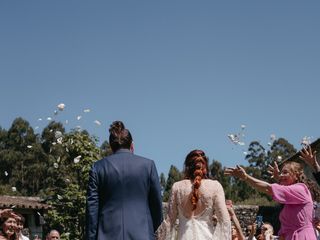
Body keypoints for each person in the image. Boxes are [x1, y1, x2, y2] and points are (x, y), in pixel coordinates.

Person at [86, 121, 163, 240]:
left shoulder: (97, 168)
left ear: (111, 146)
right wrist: (152, 232)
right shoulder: (148, 166)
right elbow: (157, 206)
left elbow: (92, 211)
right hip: (142, 234)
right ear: (132, 145)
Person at [225, 161, 318, 240]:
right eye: (281, 173)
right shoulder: (291, 196)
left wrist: (246, 177)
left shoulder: (301, 189)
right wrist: (280, 179)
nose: (281, 175)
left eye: (285, 172)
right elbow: (281, 190)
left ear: (296, 175)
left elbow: (268, 188)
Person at [156, 149, 231, 239]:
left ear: (187, 167)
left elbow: (169, 223)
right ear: (205, 167)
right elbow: (225, 221)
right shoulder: (215, 186)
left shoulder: (177, 187)